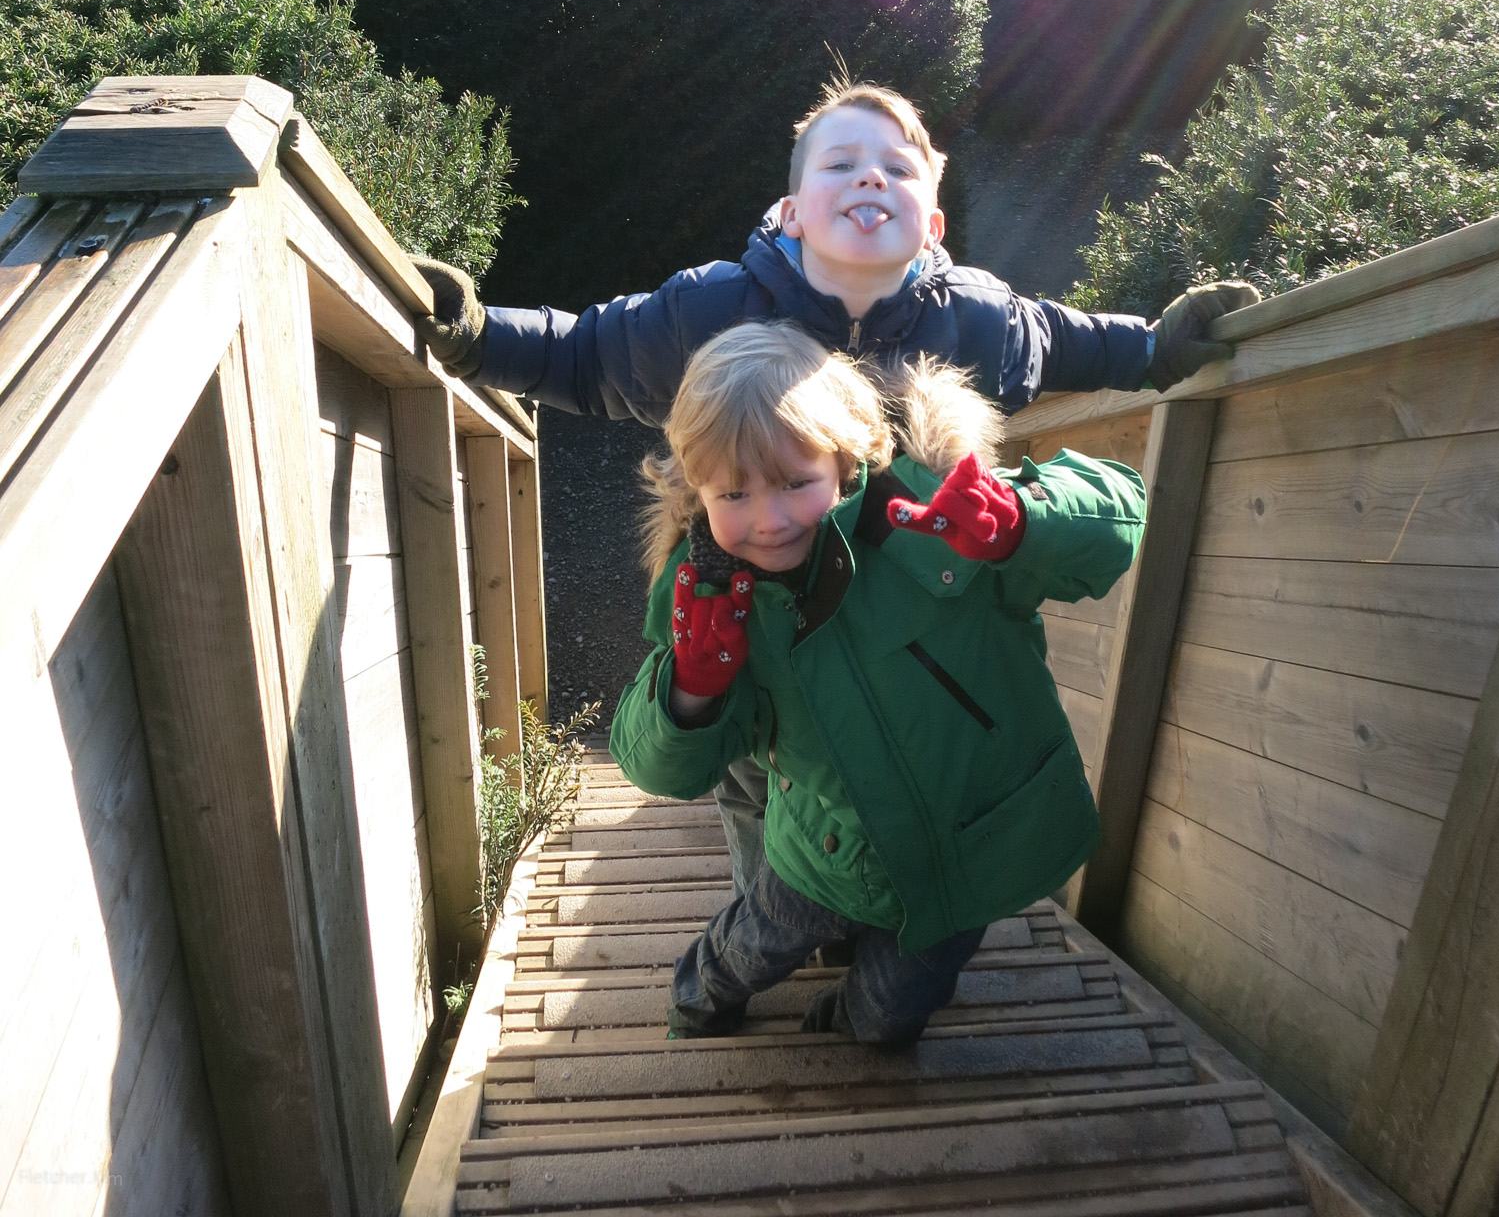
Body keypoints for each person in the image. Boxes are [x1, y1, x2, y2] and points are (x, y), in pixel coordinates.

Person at [414, 75, 1257, 890]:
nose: (870, 177)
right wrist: (479, 339)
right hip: (759, 595)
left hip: (891, 601)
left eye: (896, 168)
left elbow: (1067, 344)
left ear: (931, 224)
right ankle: (768, 896)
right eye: (842, 163)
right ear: (790, 211)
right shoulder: (712, 309)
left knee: (879, 751)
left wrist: (1157, 349)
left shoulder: (978, 316)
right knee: (758, 766)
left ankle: (879, 904)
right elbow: (587, 353)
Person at [608, 321, 1147, 1046]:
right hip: (826, 852)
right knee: (750, 949)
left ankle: (853, 1015)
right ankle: (696, 999)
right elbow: (664, 770)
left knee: (888, 1020)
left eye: (796, 483)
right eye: (733, 494)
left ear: (846, 456)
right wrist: (693, 689)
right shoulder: (718, 599)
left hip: (970, 853)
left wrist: (1023, 523)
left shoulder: (938, 519)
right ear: (695, 495)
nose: (769, 520)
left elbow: (1120, 508)